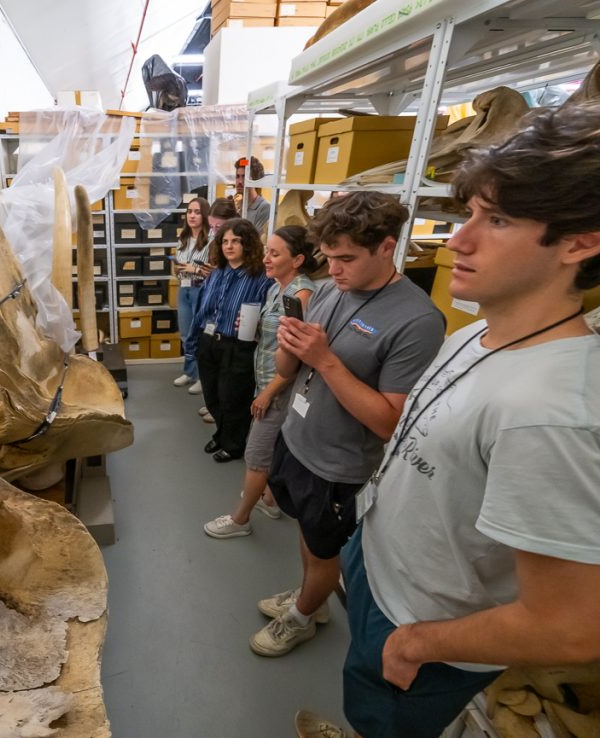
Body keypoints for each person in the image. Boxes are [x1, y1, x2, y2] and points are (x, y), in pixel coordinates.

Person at [297, 102, 600, 738]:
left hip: (423, 621)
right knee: (364, 701)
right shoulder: (477, 335)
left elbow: (570, 624)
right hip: (379, 569)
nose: (458, 240)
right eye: (469, 214)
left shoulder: (551, 411)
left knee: (388, 720)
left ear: (581, 241)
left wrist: (419, 643)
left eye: (498, 220)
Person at [249, 192, 445, 657]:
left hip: (338, 466)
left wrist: (325, 359)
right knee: (307, 537)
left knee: (324, 550)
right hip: (296, 440)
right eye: (329, 258)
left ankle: (302, 616)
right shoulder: (333, 290)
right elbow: (292, 369)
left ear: (386, 247)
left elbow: (389, 422)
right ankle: (309, 601)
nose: (333, 271)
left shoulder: (417, 320)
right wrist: (289, 346)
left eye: (346, 259)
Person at [203, 225, 317, 537]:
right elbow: (271, 337)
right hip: (264, 379)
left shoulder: (301, 295)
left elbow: (300, 358)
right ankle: (268, 498)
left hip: (279, 388)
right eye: (267, 251)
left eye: (275, 253)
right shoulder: (274, 287)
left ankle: (240, 520)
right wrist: (250, 328)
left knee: (256, 453)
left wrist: (268, 393)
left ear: (297, 260)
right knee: (271, 446)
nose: (266, 258)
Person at [193, 218, 273, 462]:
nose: (229, 246)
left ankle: (234, 444)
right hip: (208, 341)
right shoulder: (218, 272)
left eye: (236, 241)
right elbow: (204, 306)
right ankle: (221, 433)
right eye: (225, 241)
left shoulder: (261, 277)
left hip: (237, 345)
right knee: (212, 395)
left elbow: (265, 314)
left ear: (247, 244)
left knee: (234, 399)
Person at [196, 197, 238, 422]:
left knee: (225, 370)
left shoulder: (236, 245)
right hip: (212, 312)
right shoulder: (216, 243)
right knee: (211, 365)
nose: (214, 232)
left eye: (219, 227)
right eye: (212, 227)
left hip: (229, 321)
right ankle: (213, 404)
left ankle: (220, 407)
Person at [172, 197, 210, 395]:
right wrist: (177, 270)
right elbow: (177, 267)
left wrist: (193, 268)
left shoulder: (211, 240)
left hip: (200, 290)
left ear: (204, 215)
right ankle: (189, 372)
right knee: (186, 335)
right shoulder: (183, 239)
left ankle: (202, 378)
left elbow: (212, 272)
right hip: (183, 289)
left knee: (200, 335)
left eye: (197, 212)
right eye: (189, 212)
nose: (192, 216)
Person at [245, 156, 271, 235]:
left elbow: (256, 241)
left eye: (244, 177)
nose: (239, 181)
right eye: (237, 176)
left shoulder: (265, 208)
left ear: (255, 181)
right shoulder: (237, 206)